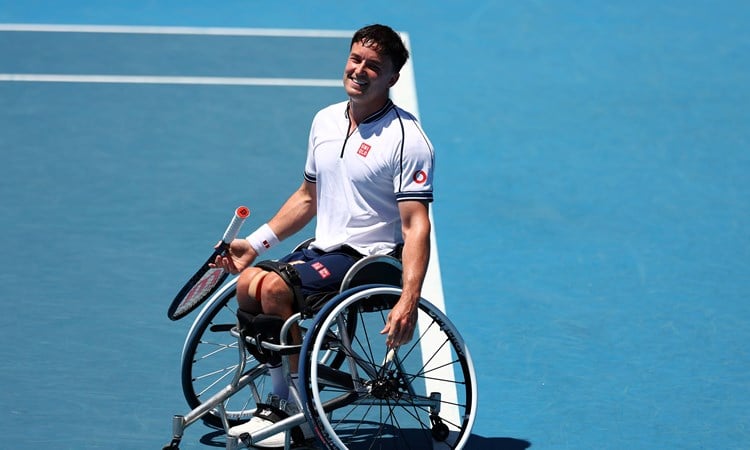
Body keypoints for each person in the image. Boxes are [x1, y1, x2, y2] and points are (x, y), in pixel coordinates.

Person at [212, 23, 434, 447]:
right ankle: (280, 401)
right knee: (248, 281)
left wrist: (409, 298)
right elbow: (307, 198)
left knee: (276, 289)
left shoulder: (409, 140)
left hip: (372, 260)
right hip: (324, 249)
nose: (359, 70)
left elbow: (415, 224)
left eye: (373, 66)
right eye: (355, 59)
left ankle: (294, 409)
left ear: (392, 78)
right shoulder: (326, 120)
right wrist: (253, 245)